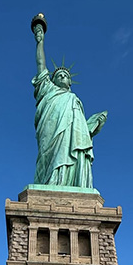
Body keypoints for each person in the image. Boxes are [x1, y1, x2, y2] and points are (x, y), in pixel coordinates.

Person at [32, 18, 107, 188]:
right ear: (52, 80)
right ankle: (51, 182)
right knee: (49, 159)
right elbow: (40, 64)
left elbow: (81, 132)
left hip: (72, 139)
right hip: (51, 133)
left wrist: (93, 125)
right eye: (59, 75)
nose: (63, 77)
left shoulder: (75, 100)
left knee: (74, 153)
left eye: (66, 76)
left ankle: (72, 185)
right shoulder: (47, 90)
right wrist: (40, 42)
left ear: (70, 83)